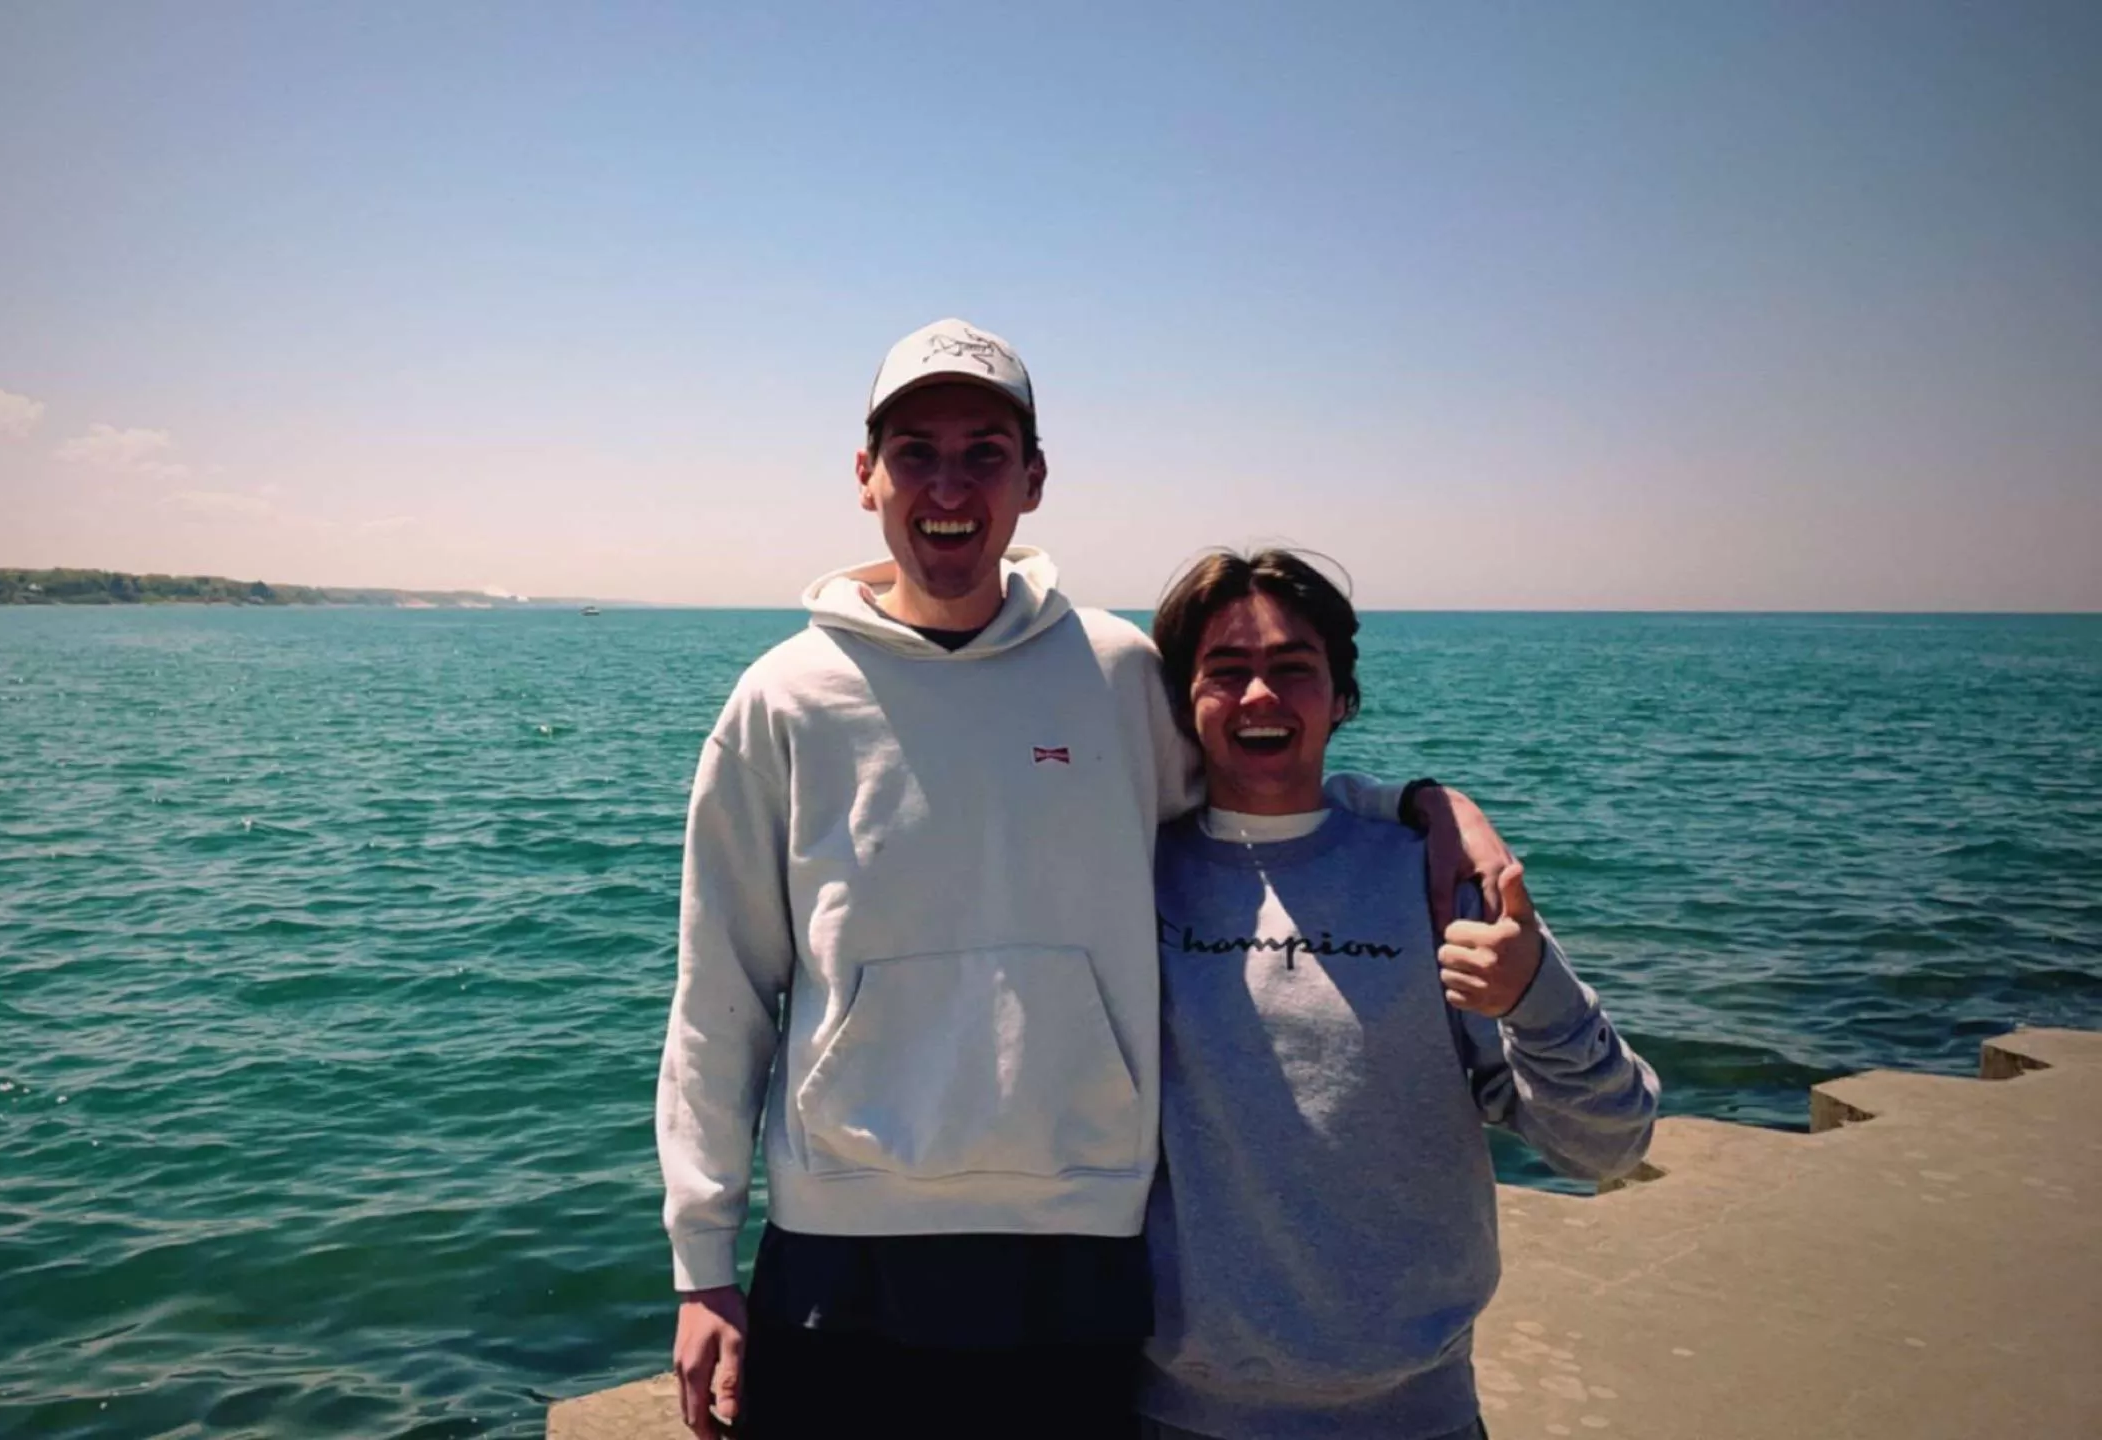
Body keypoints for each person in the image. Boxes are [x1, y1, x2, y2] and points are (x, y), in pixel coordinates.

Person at [656, 320, 1512, 1440]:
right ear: (865, 477)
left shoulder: (1118, 674)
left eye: (986, 452)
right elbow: (719, 997)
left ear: (1035, 480)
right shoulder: (781, 700)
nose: (948, 484)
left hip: (1081, 1237)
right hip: (840, 1233)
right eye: (915, 450)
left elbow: (1258, 792)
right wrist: (701, 1263)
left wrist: (1421, 804)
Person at [1137, 548, 1660, 1440]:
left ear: (1342, 696)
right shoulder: (1129, 870)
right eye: (1224, 672)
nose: (1259, 696)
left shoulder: (1435, 872)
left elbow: (1606, 1144)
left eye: (1292, 670)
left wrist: (1532, 993)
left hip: (1417, 1415)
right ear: (1182, 704)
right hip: (1176, 1412)